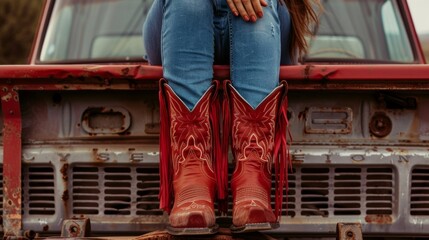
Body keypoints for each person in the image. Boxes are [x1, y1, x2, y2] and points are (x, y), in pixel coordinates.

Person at [142, 0, 319, 235]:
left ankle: (252, 175)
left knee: (259, 5)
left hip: (266, 20)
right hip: (177, 19)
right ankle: (193, 174)